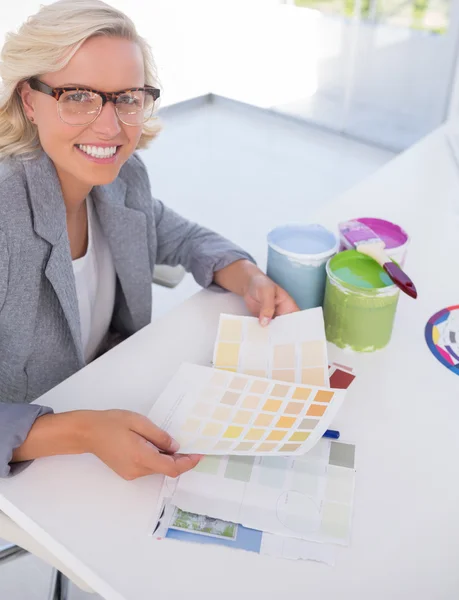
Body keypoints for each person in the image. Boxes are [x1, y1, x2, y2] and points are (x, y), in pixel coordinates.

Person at [0, 0, 298, 480]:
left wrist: (248, 276)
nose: (110, 126)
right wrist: (84, 433)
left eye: (127, 97)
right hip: (35, 452)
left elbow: (178, 234)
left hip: (109, 396)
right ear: (29, 101)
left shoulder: (122, 177)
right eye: (77, 95)